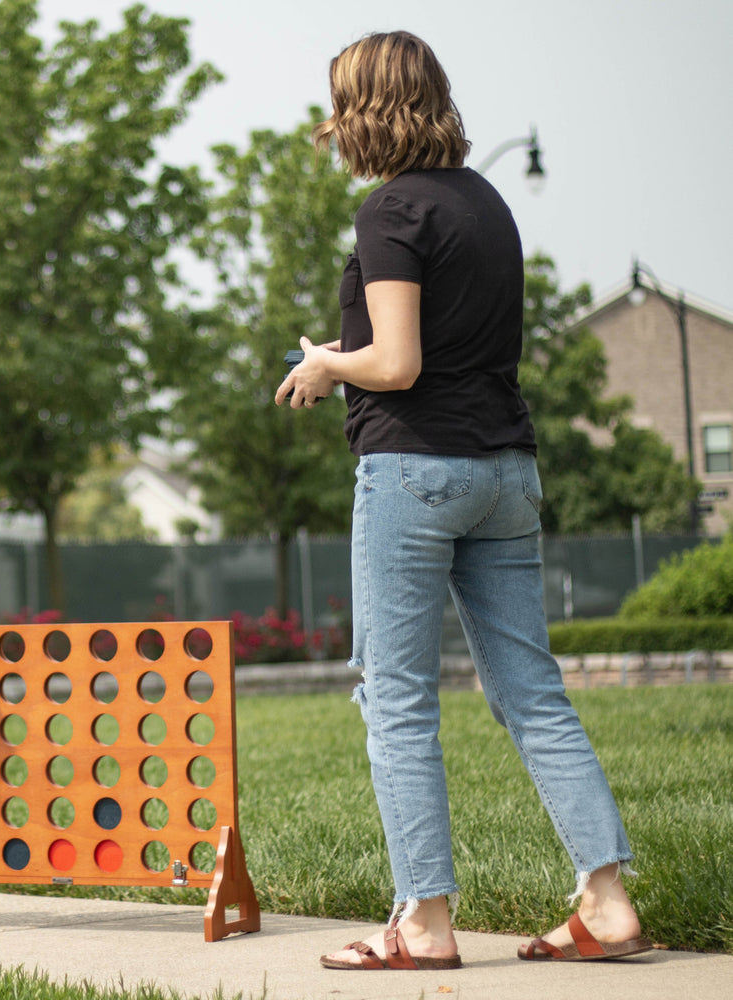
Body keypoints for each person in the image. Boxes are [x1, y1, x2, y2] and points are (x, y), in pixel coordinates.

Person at [276, 32, 650, 971]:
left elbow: (397, 364)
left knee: (395, 700)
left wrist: (326, 364)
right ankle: (605, 904)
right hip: (505, 471)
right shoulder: (483, 202)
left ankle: (423, 924)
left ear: (362, 109)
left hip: (415, 471)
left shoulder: (391, 210)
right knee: (532, 694)